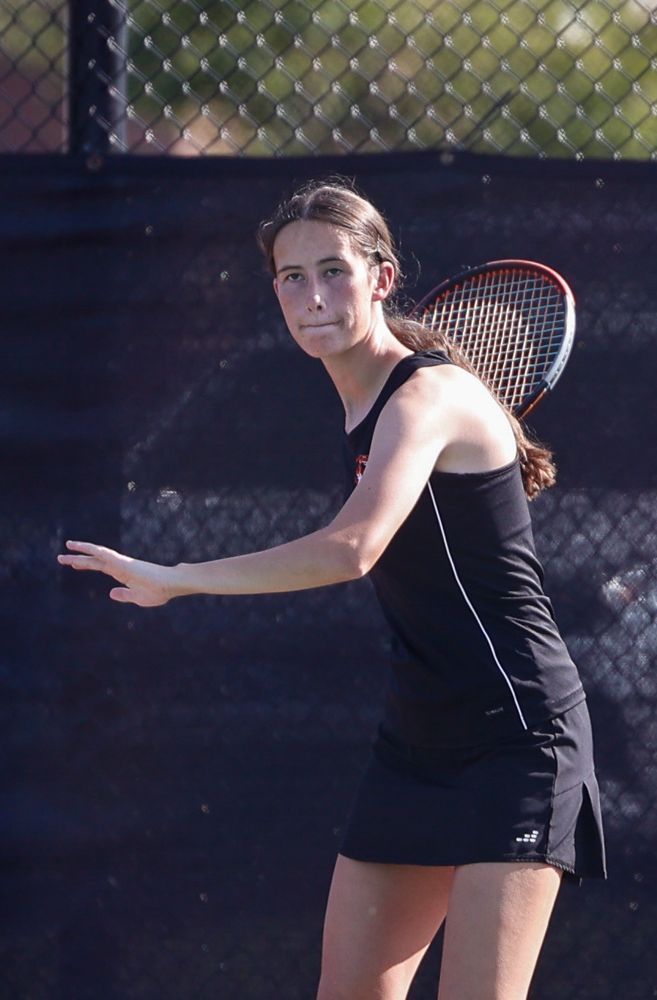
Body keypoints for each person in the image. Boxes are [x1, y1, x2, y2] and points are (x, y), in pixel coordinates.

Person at [60, 180, 604, 1000]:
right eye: (290, 277)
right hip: (419, 741)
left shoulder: (426, 396)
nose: (312, 297)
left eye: (333, 272)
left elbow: (354, 548)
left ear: (380, 278)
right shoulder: (361, 399)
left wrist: (177, 580)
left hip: (521, 737)